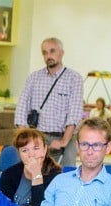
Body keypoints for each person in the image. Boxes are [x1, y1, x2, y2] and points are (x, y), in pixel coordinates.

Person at [14, 37, 83, 167]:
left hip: (65, 139)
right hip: (38, 138)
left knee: (65, 179)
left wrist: (63, 141)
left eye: (52, 51)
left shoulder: (74, 78)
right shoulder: (33, 78)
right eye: (44, 53)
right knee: (33, 177)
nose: (48, 56)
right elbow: (21, 109)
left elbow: (74, 114)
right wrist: (27, 139)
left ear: (62, 52)